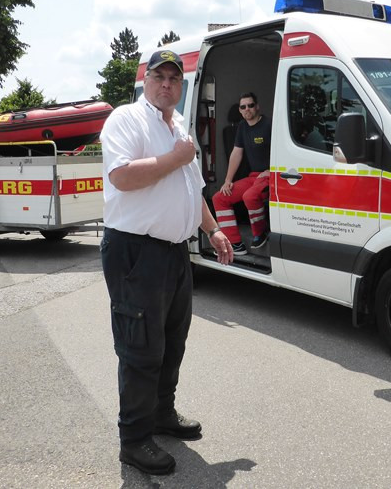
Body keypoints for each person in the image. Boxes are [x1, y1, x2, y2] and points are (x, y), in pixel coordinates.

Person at [99, 50, 233, 476]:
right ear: (147, 81)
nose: (167, 84)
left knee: (172, 342)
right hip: (136, 251)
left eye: (175, 78)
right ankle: (134, 439)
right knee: (140, 348)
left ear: (181, 86)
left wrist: (212, 229)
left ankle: (161, 413)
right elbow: (122, 176)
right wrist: (177, 157)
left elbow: (192, 190)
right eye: (160, 76)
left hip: (175, 253)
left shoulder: (178, 128)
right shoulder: (126, 119)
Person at [213, 92, 272, 255]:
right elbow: (237, 153)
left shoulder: (269, 124)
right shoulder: (242, 127)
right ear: (239, 110)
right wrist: (228, 180)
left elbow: (281, 149)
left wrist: (272, 169)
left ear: (257, 107)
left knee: (249, 196)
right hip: (254, 177)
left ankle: (260, 233)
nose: (247, 109)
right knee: (219, 198)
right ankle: (234, 243)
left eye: (250, 105)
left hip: (271, 176)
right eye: (243, 107)